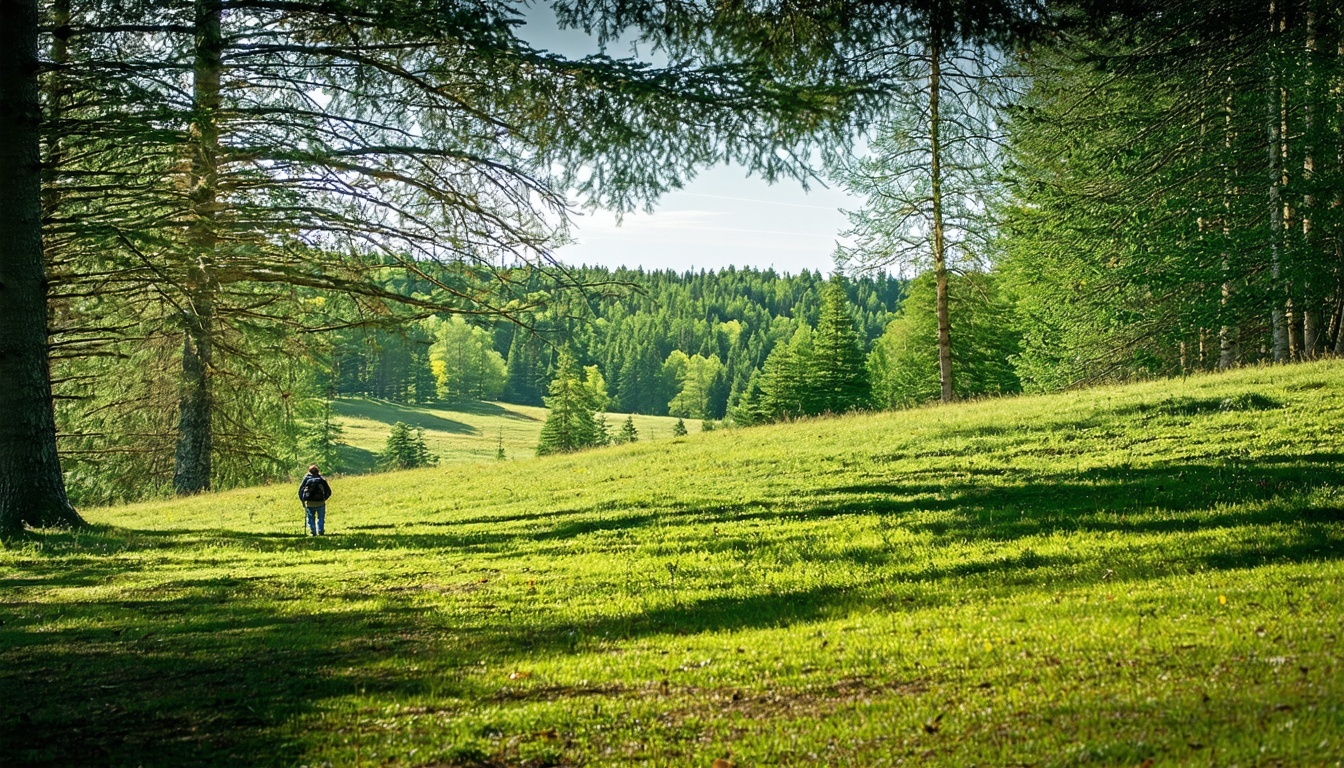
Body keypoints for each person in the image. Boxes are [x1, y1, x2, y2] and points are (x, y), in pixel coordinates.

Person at [298, 464, 332, 536]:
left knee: (310, 518)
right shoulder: (321, 479)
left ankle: (313, 531)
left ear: (309, 471)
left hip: (310, 503)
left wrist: (303, 501)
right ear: (318, 471)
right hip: (321, 503)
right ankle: (320, 531)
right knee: (321, 518)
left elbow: (300, 491)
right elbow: (329, 492)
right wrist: (324, 498)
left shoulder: (306, 479)